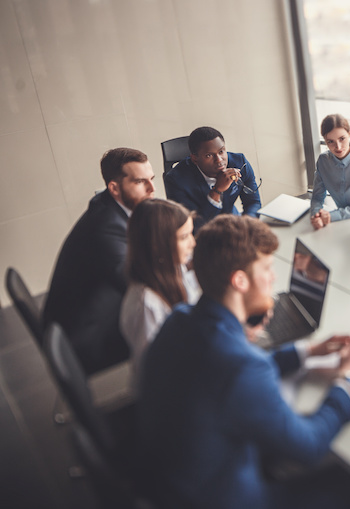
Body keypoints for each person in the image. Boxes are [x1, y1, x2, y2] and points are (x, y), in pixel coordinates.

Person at [137, 214, 350, 509]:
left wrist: (306, 352)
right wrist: (347, 380)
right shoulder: (242, 365)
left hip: (170, 484)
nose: (273, 277)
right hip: (222, 497)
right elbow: (309, 447)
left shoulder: (180, 319)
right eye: (268, 268)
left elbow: (226, 370)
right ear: (240, 280)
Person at [44, 148, 156, 374]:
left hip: (89, 314)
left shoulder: (109, 206)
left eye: (151, 180)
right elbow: (138, 283)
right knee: (173, 331)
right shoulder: (106, 226)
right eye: (140, 182)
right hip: (88, 338)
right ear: (114, 188)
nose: (152, 190)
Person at [119, 199, 200, 381]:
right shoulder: (147, 305)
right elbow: (155, 372)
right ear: (159, 244)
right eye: (184, 237)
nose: (192, 243)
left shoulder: (175, 269)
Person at [164, 126, 262, 227]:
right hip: (204, 233)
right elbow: (192, 226)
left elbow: (253, 202)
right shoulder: (176, 181)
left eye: (221, 151)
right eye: (209, 155)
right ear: (194, 159)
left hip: (233, 222)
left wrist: (247, 225)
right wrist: (216, 191)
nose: (219, 160)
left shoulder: (240, 163)